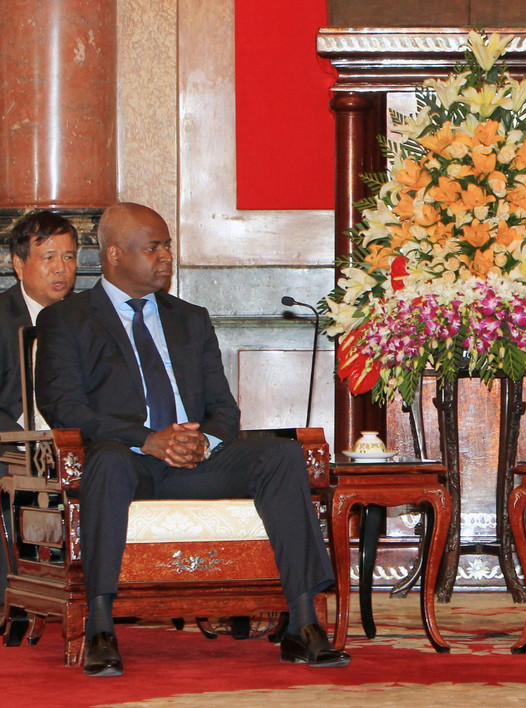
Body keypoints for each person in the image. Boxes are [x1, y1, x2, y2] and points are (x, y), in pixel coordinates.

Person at [34, 202, 349, 676]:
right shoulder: (68, 319)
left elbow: (224, 408)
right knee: (106, 463)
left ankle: (302, 624)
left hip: (198, 462)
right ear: (116, 255)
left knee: (283, 455)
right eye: (153, 248)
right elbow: (66, 409)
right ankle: (100, 627)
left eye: (168, 246)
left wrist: (204, 442)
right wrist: (148, 439)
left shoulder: (190, 318)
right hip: (129, 463)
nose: (166, 257)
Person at [0, 211, 78, 603]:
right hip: (11, 443)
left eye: (69, 257)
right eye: (48, 257)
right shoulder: (0, 316)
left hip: (75, 440)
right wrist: (22, 442)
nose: (61, 269)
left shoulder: (88, 318)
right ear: (18, 264)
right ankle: (12, 594)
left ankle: (95, 590)